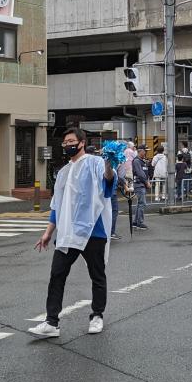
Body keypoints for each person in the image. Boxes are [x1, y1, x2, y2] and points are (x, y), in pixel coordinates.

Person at [29, 128, 114, 338]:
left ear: (82, 142)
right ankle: (51, 322)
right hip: (68, 233)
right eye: (65, 142)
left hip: (94, 230)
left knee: (97, 275)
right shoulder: (63, 172)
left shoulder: (94, 163)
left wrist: (110, 164)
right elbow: (57, 204)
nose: (67, 145)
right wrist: (48, 232)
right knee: (57, 274)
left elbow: (108, 182)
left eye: (71, 141)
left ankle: (97, 315)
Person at [131, 145, 150, 230]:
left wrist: (147, 181)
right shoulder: (137, 161)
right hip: (139, 184)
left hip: (141, 184)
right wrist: (146, 182)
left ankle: (136, 222)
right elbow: (140, 174)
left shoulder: (141, 161)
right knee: (142, 203)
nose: (146, 152)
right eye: (145, 151)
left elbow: (145, 173)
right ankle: (140, 222)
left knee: (140, 204)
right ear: (140, 151)